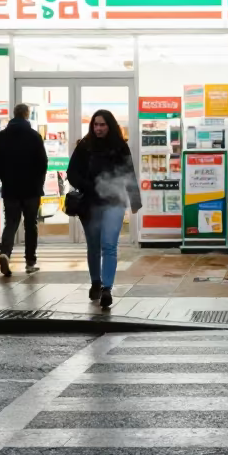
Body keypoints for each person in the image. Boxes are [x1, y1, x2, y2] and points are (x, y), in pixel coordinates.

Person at [67, 109, 142, 310]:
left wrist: (135, 201)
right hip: (90, 204)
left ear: (110, 126)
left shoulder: (120, 147)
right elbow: (71, 173)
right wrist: (89, 185)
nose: (98, 128)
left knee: (109, 244)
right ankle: (95, 282)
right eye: (96, 125)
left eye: (102, 125)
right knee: (94, 246)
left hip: (114, 202)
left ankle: (107, 288)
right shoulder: (85, 146)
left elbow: (128, 173)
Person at [0, 102, 48, 277]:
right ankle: (30, 262)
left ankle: (5, 253)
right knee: (31, 225)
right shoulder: (34, 136)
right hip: (31, 189)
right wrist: (39, 182)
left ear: (14, 115)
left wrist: (5, 179)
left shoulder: (1, 136)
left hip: (11, 189)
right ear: (26, 115)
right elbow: (42, 162)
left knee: (11, 223)